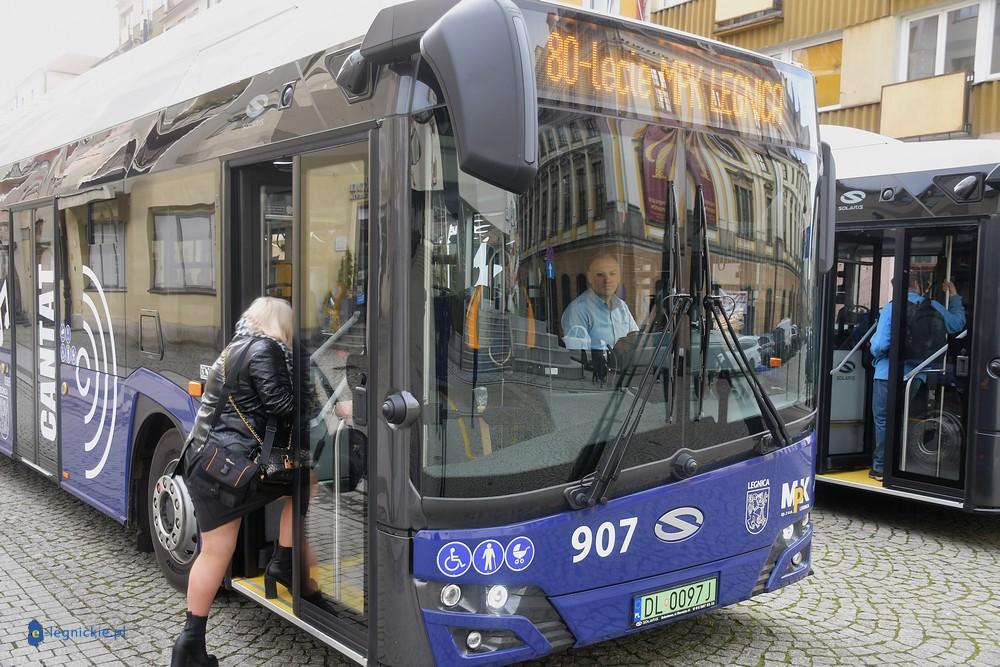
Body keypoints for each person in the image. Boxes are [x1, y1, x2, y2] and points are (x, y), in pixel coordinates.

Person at [171, 297, 315, 666]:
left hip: (205, 462)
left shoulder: (236, 346)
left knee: (214, 553)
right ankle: (284, 563)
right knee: (304, 477)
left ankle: (189, 648)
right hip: (229, 468)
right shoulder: (266, 349)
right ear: (281, 323)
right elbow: (282, 406)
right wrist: (314, 399)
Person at [868, 274, 965, 482]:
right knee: (901, 417)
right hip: (917, 375)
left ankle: (880, 467)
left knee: (883, 419)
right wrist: (954, 295)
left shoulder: (891, 308)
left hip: (887, 374)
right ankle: (898, 463)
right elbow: (957, 324)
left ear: (895, 288)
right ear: (916, 285)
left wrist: (874, 349)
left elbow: (879, 345)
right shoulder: (933, 306)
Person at [561, 253, 639, 382]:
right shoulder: (577, 310)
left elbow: (635, 339)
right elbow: (577, 358)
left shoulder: (622, 307)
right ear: (590, 278)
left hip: (624, 379)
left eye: (612, 274)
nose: (607, 280)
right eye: (600, 275)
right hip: (596, 383)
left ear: (619, 278)